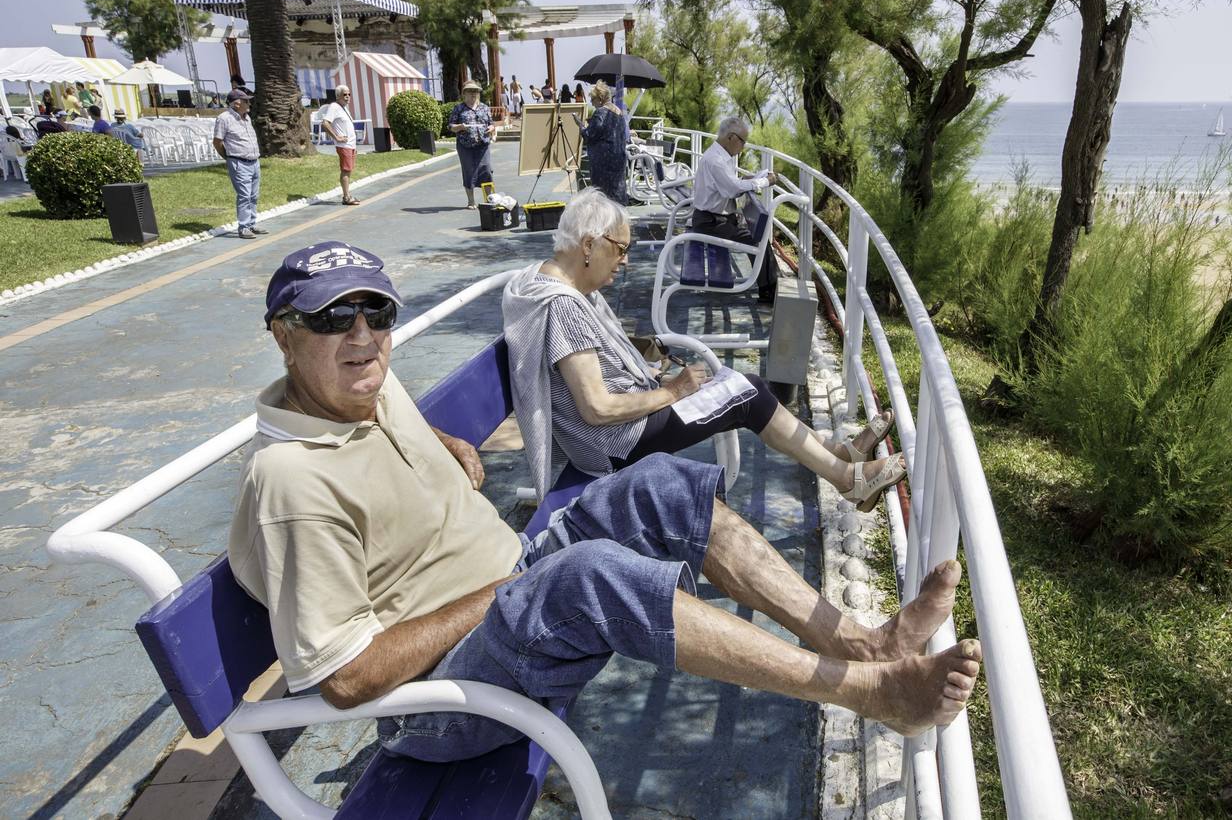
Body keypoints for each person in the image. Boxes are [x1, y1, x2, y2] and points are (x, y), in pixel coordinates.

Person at [229, 239, 982, 770]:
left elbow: (387, 409)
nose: (362, 336)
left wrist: (445, 442)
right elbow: (347, 679)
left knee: (661, 490)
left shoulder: (362, 386)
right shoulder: (290, 484)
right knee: (587, 574)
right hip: (439, 698)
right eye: (332, 319)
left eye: (377, 314)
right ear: (284, 336)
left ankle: (861, 642)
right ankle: (872, 694)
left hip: (507, 589)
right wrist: (506, 590)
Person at [502, 188, 906, 510]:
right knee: (746, 395)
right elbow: (597, 409)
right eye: (621, 249)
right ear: (589, 245)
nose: (624, 260)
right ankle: (846, 480)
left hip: (611, 434)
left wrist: (647, 359)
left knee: (746, 388)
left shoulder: (537, 283)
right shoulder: (562, 307)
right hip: (615, 443)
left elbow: (584, 364)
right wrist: (673, 391)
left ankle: (838, 453)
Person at [693, 117, 781, 304]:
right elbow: (732, 189)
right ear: (731, 137)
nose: (744, 146)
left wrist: (749, 178)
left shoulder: (722, 156)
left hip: (714, 217)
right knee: (758, 240)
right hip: (710, 222)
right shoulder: (716, 161)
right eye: (743, 141)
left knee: (758, 237)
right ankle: (771, 292)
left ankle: (771, 286)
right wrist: (765, 181)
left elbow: (731, 182)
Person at [213, 88, 268, 239]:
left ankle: (251, 224)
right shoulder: (224, 118)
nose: (248, 103)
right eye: (245, 101)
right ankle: (243, 227)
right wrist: (229, 157)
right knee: (244, 195)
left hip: (254, 162)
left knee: (253, 195)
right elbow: (217, 142)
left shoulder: (246, 117)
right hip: (239, 162)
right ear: (236, 104)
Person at [574, 81, 627, 204]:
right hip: (618, 158)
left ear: (601, 98)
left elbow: (589, 135)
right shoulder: (618, 111)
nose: (591, 102)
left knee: (603, 197)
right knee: (616, 193)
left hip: (603, 162)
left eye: (593, 99)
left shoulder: (600, 112)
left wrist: (580, 125)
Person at [448, 80, 496, 208]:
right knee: (469, 171)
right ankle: (471, 201)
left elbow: (491, 123)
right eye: (470, 91)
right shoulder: (459, 108)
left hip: (483, 144)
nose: (473, 94)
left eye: (475, 91)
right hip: (465, 146)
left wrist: (491, 128)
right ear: (464, 94)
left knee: (486, 170)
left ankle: (488, 200)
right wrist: (460, 127)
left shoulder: (484, 108)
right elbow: (451, 126)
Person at [318, 86, 360, 206]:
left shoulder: (344, 108)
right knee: (346, 170)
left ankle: (347, 195)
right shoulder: (334, 107)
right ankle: (346, 197)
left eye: (349, 94)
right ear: (338, 96)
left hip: (350, 145)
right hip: (344, 145)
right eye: (345, 95)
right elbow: (325, 124)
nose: (347, 97)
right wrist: (336, 137)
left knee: (349, 170)